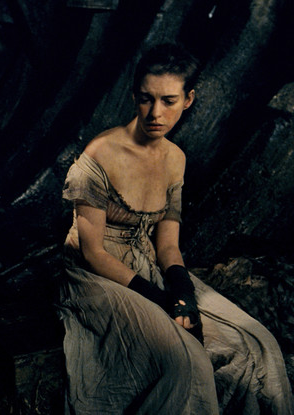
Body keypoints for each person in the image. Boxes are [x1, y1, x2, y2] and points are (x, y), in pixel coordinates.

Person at [59, 43, 293, 414]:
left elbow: (167, 243)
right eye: (146, 99)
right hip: (99, 275)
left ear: (188, 100)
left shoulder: (175, 159)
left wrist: (183, 293)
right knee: (185, 364)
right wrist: (160, 299)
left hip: (149, 262)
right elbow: (92, 253)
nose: (155, 113)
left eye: (168, 101)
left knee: (257, 344)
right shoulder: (100, 154)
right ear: (134, 96)